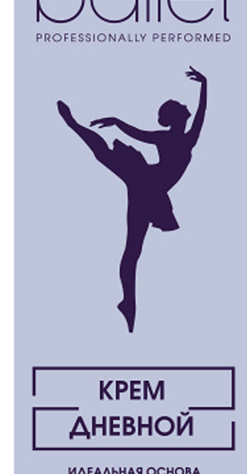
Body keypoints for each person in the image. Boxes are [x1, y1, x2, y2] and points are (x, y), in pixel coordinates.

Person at [56, 66, 207, 332]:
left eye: (184, 106)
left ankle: (128, 302)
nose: (187, 108)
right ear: (176, 117)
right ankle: (73, 125)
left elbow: (201, 111)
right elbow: (138, 133)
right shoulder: (174, 138)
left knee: (133, 250)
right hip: (147, 182)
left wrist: (205, 84)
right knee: (104, 155)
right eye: (182, 107)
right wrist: (117, 121)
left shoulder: (184, 138)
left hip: (149, 188)